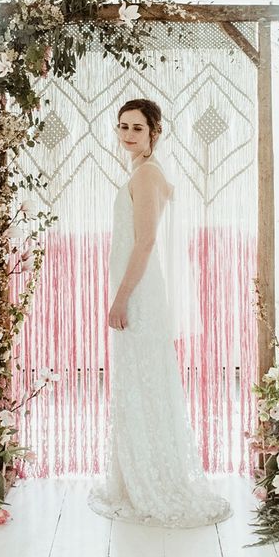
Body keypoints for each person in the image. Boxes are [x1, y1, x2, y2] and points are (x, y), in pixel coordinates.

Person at [88, 98, 232, 528]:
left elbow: (145, 242)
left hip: (139, 294)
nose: (128, 134)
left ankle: (153, 480)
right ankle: (136, 476)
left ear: (154, 133)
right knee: (140, 382)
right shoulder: (141, 172)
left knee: (144, 383)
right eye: (122, 127)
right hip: (139, 290)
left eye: (137, 128)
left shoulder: (148, 175)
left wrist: (120, 298)